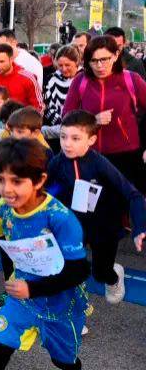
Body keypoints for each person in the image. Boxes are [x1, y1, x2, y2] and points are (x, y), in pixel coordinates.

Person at [0, 138, 90, 370]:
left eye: (16, 181)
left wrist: (34, 290)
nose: (7, 189)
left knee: (63, 361)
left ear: (39, 181)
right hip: (21, 295)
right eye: (0, 180)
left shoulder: (60, 218)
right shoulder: (1, 210)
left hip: (61, 301)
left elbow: (80, 270)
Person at [48, 111, 146, 306]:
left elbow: (133, 194)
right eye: (63, 136)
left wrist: (139, 227)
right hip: (73, 225)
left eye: (75, 138)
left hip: (103, 226)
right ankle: (73, 312)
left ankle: (114, 277)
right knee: (68, 269)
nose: (67, 143)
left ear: (91, 139)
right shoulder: (56, 163)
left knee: (101, 272)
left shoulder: (99, 163)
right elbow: (45, 192)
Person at [62, 34, 146, 192]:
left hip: (126, 156)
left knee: (123, 207)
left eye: (104, 59)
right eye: (94, 61)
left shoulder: (131, 79)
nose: (99, 66)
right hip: (89, 154)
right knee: (89, 208)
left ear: (115, 56)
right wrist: (93, 120)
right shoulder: (80, 81)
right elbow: (67, 117)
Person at [0, 44, 42, 113]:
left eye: (1, 61)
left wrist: (27, 122)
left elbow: (38, 106)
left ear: (11, 59)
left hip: (22, 122)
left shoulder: (28, 78)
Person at [42, 45, 80, 146]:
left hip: (80, 129)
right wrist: (61, 123)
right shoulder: (51, 80)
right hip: (56, 133)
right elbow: (47, 107)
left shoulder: (85, 79)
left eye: (67, 65)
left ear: (76, 62)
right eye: (60, 65)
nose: (63, 69)